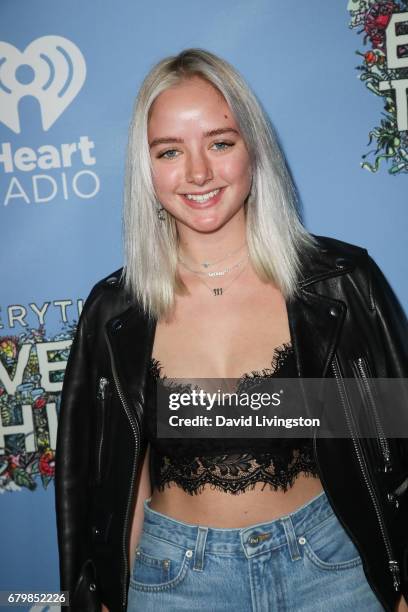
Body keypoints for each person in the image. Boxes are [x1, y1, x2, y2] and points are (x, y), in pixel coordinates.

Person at [54, 49, 408, 612]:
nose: (198, 173)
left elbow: (397, 448)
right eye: (170, 151)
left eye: (220, 143)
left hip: (333, 568)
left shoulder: (342, 284)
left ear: (254, 150)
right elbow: (112, 479)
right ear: (146, 168)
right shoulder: (114, 312)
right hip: (174, 580)